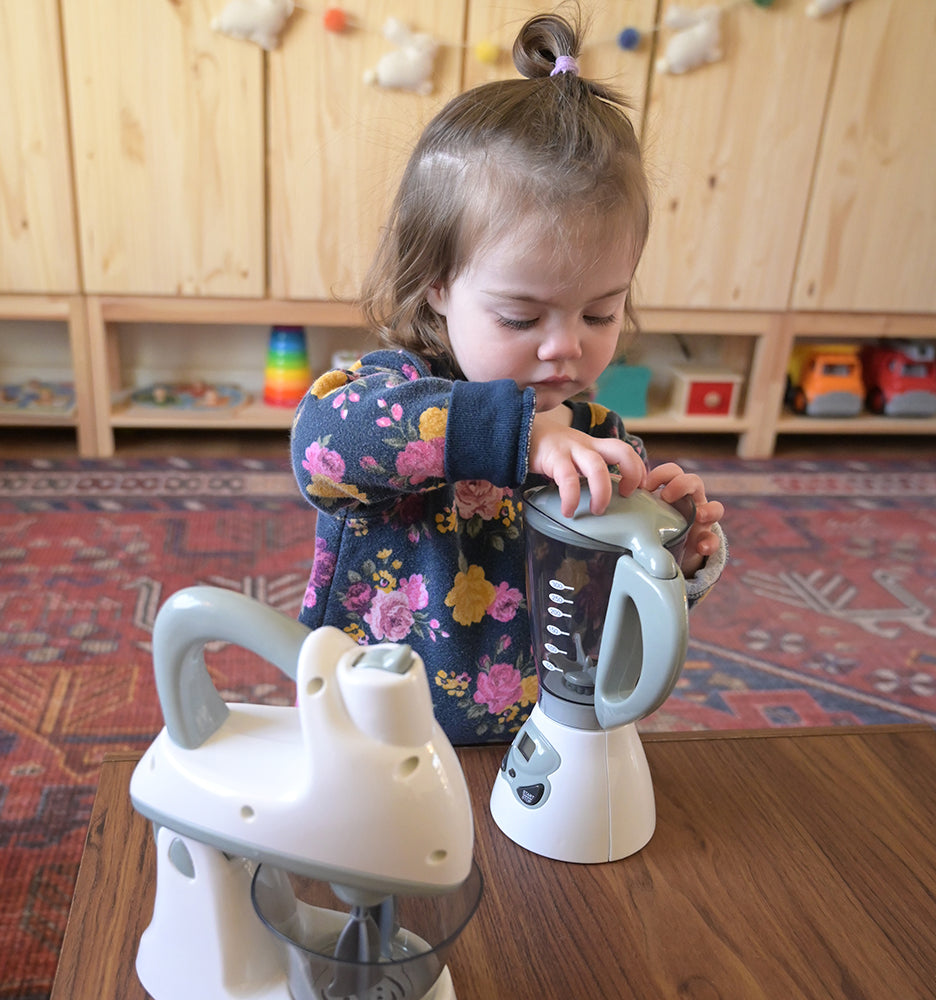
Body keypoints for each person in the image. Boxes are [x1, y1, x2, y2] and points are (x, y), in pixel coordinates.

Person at [291, 9, 726, 744]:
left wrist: (669, 556)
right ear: (435, 284)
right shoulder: (388, 391)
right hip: (371, 732)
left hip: (540, 735)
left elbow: (617, 610)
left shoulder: (598, 439)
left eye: (599, 313)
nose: (565, 350)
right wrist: (520, 438)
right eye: (522, 319)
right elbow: (321, 447)